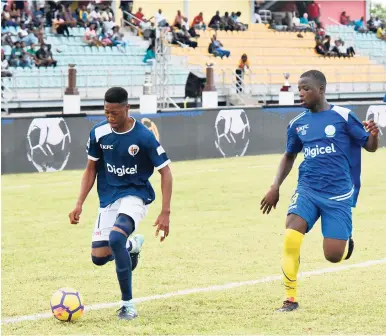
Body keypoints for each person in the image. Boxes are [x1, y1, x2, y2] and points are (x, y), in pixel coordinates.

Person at [260, 70, 380, 312]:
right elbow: (289, 155)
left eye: (305, 88)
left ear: (321, 90)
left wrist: (376, 135)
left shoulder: (343, 116)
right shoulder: (297, 124)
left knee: (333, 256)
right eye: (299, 88)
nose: (300, 93)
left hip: (338, 194)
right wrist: (275, 186)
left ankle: (345, 240)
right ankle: (290, 299)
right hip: (307, 189)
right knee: (291, 233)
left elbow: (370, 146)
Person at [68, 87, 173, 320]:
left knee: (116, 237)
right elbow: (91, 168)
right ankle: (131, 246)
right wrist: (79, 204)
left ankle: (128, 306)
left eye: (115, 113)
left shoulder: (144, 136)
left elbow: (166, 172)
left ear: (127, 109)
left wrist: (166, 211)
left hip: (135, 194)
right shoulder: (99, 133)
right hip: (108, 197)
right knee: (99, 257)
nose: (110, 118)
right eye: (106, 112)